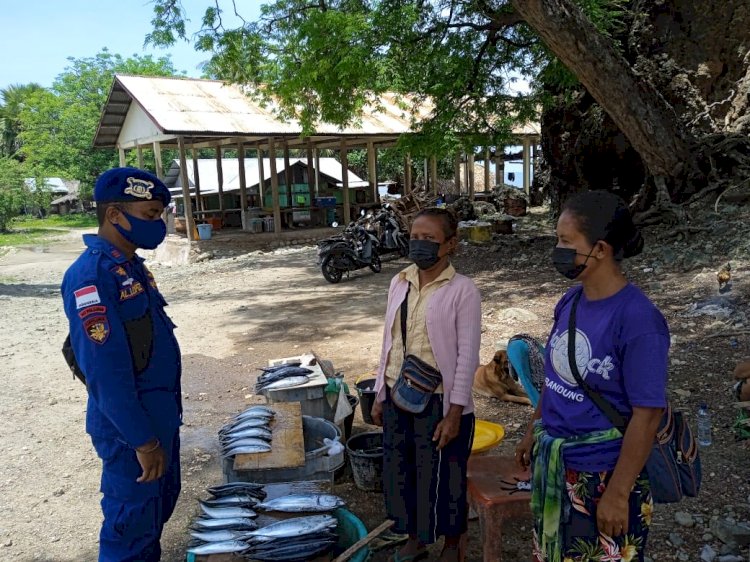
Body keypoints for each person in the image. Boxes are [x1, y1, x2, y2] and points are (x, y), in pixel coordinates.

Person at [516, 191, 668, 562]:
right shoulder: (571, 301)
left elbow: (647, 416)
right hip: (556, 465)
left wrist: (617, 494)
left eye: (566, 242)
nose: (558, 249)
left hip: (603, 473)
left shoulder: (638, 320)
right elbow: (557, 379)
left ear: (599, 249)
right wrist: (533, 430)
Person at [61, 167, 182, 562]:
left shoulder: (129, 266)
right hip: (131, 428)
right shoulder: (91, 276)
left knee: (155, 513)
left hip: (158, 417)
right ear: (114, 215)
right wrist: (142, 440)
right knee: (129, 527)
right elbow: (105, 373)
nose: (158, 225)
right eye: (149, 215)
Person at [370, 208, 481, 562]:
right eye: (415, 237)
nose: (419, 244)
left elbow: (467, 356)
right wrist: (379, 392)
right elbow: (389, 342)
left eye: (429, 239)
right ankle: (416, 539)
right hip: (398, 394)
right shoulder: (399, 281)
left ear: (449, 244)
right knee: (403, 472)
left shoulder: (463, 291)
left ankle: (452, 543)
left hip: (439, 402)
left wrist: (454, 414)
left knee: (446, 477)